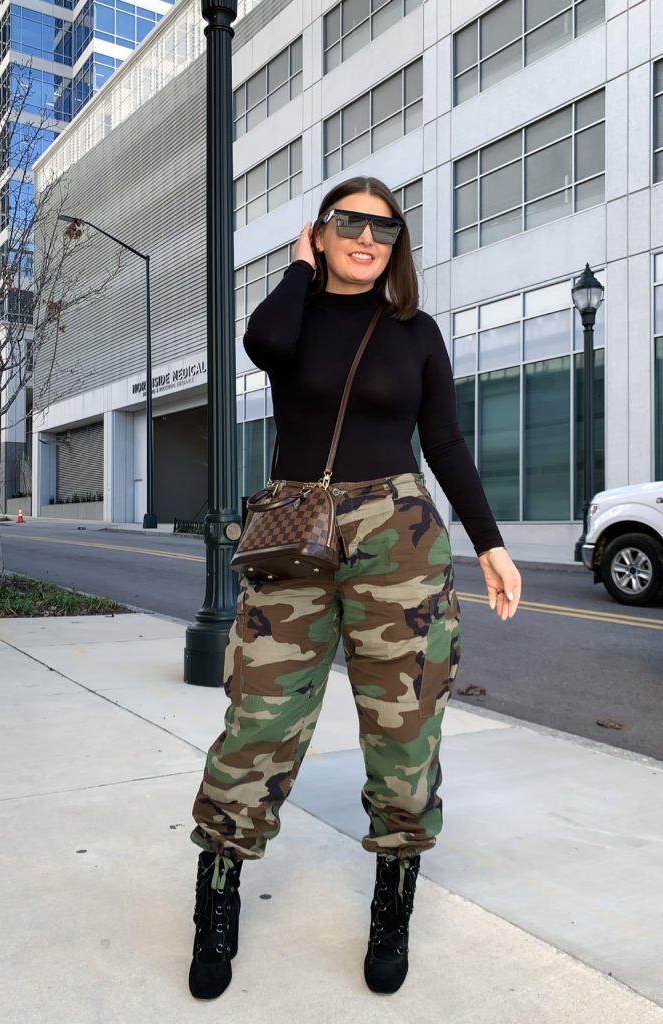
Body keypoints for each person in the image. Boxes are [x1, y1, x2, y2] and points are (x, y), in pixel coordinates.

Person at [187, 176, 522, 1000]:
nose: (368, 238)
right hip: (293, 533)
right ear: (322, 231)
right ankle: (218, 895)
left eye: (384, 228)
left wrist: (490, 543)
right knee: (258, 721)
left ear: (397, 244)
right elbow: (263, 342)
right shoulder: (293, 316)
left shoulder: (416, 331)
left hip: (398, 536)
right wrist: (300, 268)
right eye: (350, 223)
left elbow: (444, 442)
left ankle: (393, 899)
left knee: (405, 728)